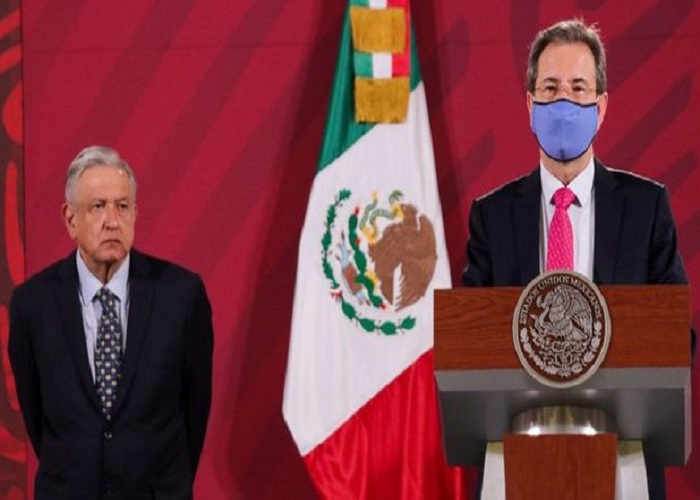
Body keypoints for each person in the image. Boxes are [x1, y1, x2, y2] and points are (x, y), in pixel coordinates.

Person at [462, 19, 689, 500]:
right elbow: (467, 345)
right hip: (515, 459)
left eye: (578, 88)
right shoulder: (492, 217)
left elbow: (676, 338)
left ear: (600, 107)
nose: (563, 101)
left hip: (623, 460)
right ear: (530, 105)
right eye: (550, 88)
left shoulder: (646, 208)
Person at [8, 146, 214, 499]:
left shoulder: (182, 296)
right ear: (70, 219)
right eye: (98, 206)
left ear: (135, 213)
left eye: (122, 206)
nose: (112, 221)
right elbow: (38, 418)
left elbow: (194, 412)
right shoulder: (33, 304)